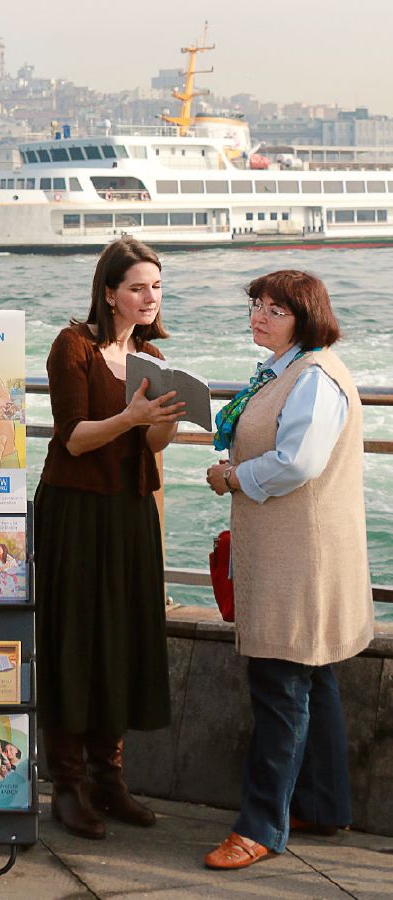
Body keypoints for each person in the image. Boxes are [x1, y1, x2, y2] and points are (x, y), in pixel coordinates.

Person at [203, 270, 374, 870]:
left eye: (275, 309)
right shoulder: (291, 371)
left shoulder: (315, 377)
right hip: (297, 550)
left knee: (280, 687)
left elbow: (296, 462)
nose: (259, 316)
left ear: (305, 317)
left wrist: (231, 477)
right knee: (313, 677)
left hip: (299, 557)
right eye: (256, 304)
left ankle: (259, 827)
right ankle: (324, 805)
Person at [34, 236, 184, 841]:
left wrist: (162, 424)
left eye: (156, 287)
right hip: (75, 510)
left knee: (119, 638)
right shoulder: (73, 345)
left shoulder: (149, 355)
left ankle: (109, 778)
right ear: (109, 293)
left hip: (129, 510)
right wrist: (130, 417)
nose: (150, 297)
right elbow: (72, 437)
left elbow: (148, 448)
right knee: (73, 638)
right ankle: (66, 785)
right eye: (138, 287)